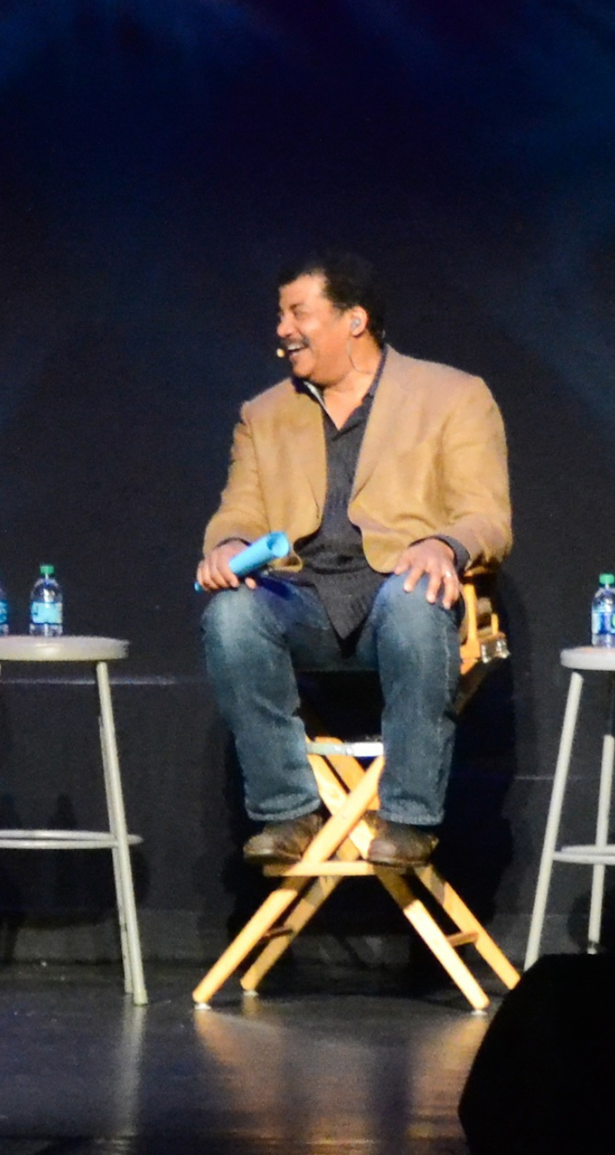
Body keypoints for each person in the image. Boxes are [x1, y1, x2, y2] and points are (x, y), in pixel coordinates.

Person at [196, 251, 510, 869]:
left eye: (298, 313)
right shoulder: (263, 414)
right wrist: (228, 544)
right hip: (303, 604)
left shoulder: (453, 395)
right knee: (231, 615)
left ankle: (409, 820)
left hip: (401, 596)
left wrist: (442, 545)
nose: (283, 328)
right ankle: (288, 813)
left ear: (355, 320)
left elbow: (487, 516)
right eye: (280, 314)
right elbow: (238, 511)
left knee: (415, 597)